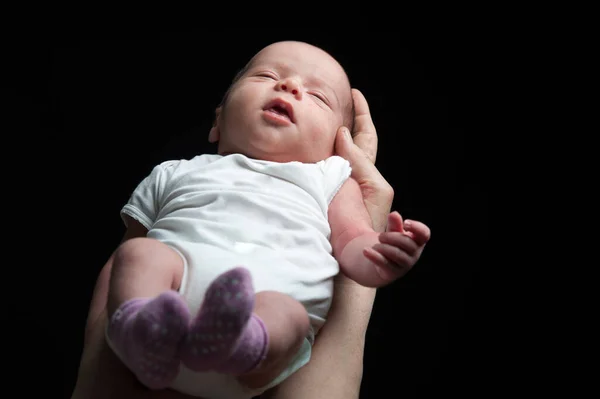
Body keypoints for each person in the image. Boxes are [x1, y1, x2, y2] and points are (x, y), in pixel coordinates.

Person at [70, 41, 430, 399]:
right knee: (137, 256)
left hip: (252, 352)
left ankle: (242, 342)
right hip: (160, 320)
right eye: (267, 75)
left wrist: (380, 254)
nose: (289, 87)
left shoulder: (328, 181)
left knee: (289, 315)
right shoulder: (175, 173)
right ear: (217, 122)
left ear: (336, 150)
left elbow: (354, 242)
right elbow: (132, 243)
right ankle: (142, 328)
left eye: (318, 97)